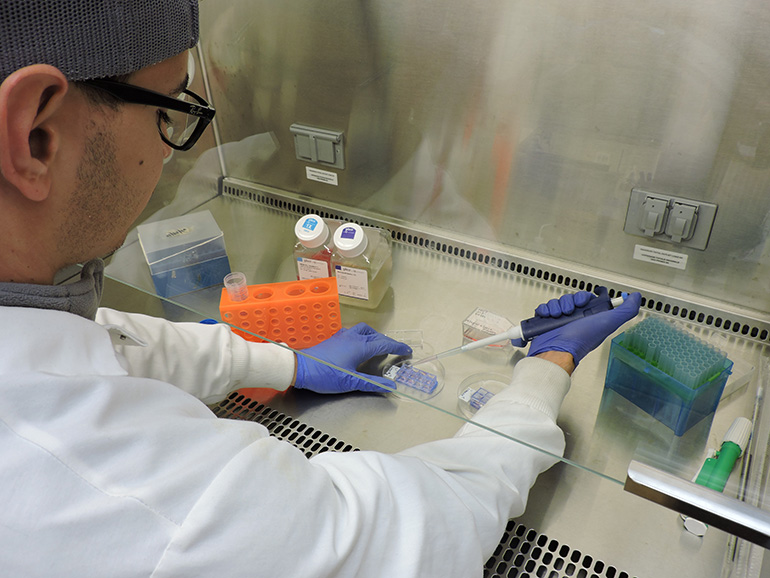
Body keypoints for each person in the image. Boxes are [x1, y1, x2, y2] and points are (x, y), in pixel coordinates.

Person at [0, 2, 642, 577]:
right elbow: (422, 527)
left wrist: (282, 361)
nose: (172, 151)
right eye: (171, 109)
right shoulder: (138, 499)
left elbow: (110, 346)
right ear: (35, 136)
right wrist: (542, 374)